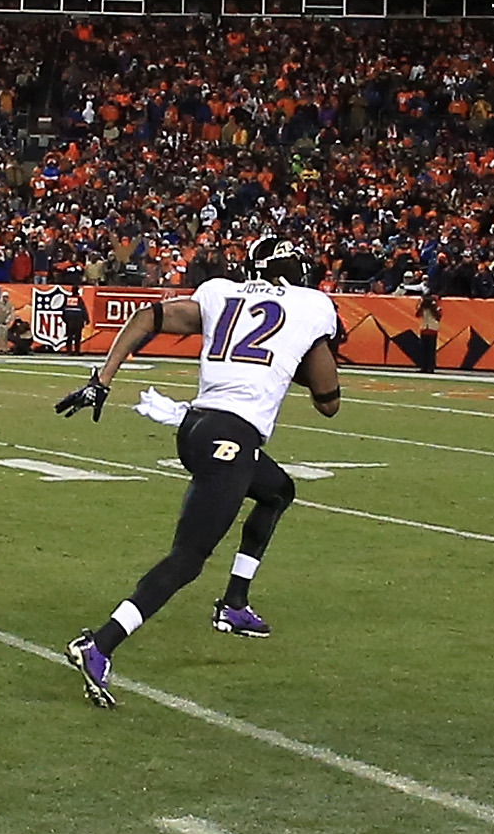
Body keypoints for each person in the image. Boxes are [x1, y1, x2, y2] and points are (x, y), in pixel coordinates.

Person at [56, 238, 340, 701]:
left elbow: (148, 316)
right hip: (232, 436)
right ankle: (100, 644)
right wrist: (303, 360)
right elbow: (329, 402)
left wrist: (100, 380)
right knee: (187, 558)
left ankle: (234, 603)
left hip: (197, 427)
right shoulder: (312, 305)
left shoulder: (220, 291)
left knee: (277, 491)